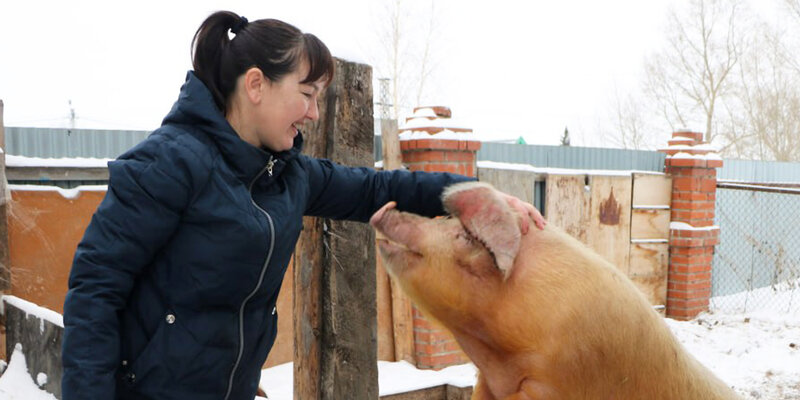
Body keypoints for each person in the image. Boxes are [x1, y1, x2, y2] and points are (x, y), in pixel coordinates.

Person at [61, 11, 545, 400]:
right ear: (256, 86)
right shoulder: (169, 163)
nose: (314, 112)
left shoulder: (286, 176)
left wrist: (473, 198)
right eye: (307, 94)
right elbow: (94, 289)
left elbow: (375, 188)